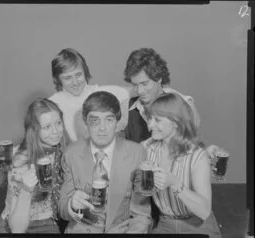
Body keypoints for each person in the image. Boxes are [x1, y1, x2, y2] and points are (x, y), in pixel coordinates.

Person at [0, 48, 133, 162]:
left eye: (78, 75)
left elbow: (142, 88)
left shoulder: (103, 92)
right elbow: (34, 138)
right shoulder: (53, 104)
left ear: (85, 72)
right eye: (68, 78)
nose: (75, 82)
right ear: (58, 79)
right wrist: (9, 151)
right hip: (72, 167)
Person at [58, 91, 152, 233]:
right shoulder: (71, 153)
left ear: (117, 121)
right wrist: (71, 204)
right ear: (85, 121)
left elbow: (141, 215)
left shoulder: (137, 152)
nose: (102, 128)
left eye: (109, 120)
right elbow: (63, 208)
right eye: (95, 120)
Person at [134, 92, 222, 237]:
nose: (150, 126)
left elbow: (205, 211)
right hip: (165, 224)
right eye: (150, 119)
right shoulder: (146, 147)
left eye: (157, 120)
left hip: (198, 225)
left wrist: (175, 184)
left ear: (175, 122)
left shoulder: (197, 156)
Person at [0, 98, 68, 233]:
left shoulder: (63, 152)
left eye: (58, 123)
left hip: (48, 222)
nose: (55, 131)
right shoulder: (19, 161)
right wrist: (26, 189)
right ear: (34, 130)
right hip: (13, 223)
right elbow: (17, 228)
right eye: (46, 127)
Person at [123, 47, 200, 143]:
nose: (139, 91)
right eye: (135, 84)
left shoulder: (182, 105)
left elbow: (191, 147)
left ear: (159, 78)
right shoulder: (128, 106)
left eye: (144, 83)